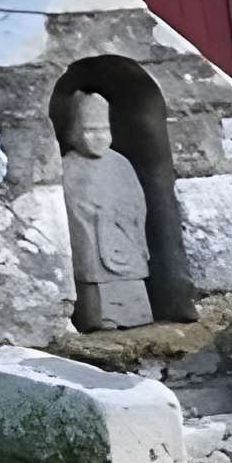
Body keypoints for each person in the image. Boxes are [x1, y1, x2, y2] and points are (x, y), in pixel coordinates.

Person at [61, 90, 153, 328]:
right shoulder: (68, 165)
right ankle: (99, 318)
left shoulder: (121, 163)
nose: (98, 137)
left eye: (103, 130)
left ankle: (137, 314)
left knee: (132, 278)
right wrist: (93, 215)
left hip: (123, 236)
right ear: (75, 132)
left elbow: (137, 203)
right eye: (90, 131)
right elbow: (70, 208)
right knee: (94, 276)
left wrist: (121, 216)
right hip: (93, 238)